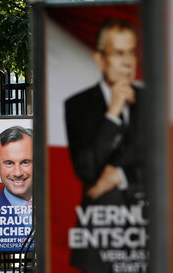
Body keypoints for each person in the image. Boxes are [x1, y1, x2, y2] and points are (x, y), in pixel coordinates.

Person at [64, 19, 146, 272]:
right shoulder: (78, 106)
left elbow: (164, 160)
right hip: (99, 236)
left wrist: (118, 174)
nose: (127, 62)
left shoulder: (153, 102)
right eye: (119, 53)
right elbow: (86, 169)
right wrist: (112, 114)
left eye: (131, 52)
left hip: (146, 234)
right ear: (100, 60)